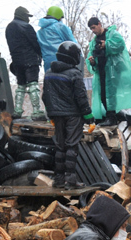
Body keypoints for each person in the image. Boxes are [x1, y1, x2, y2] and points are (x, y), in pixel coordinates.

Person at [42, 41, 93, 189]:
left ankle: (58, 180)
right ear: (74, 57)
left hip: (56, 115)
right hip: (73, 115)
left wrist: (51, 114)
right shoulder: (74, 74)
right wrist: (88, 115)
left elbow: (45, 96)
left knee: (60, 146)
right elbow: (81, 97)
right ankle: (71, 181)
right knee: (71, 146)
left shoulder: (48, 73)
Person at [86, 17, 131, 126]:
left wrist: (106, 44)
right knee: (102, 95)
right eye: (91, 29)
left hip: (113, 71)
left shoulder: (112, 34)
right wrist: (92, 62)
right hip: (101, 71)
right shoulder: (93, 42)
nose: (93, 30)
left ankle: (112, 117)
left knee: (111, 94)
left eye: (94, 27)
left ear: (99, 24)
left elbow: (120, 44)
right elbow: (92, 55)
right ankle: (111, 115)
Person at [5, 7, 45, 120]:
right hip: (30, 60)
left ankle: (17, 111)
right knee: (33, 85)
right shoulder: (26, 27)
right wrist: (40, 54)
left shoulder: (9, 27)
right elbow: (35, 43)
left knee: (21, 86)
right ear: (23, 15)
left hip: (17, 61)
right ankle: (36, 111)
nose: (28, 19)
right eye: (27, 16)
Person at [37, 6, 77, 73]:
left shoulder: (39, 32)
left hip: (48, 64)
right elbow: (73, 44)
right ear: (58, 16)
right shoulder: (60, 27)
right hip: (63, 63)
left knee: (51, 82)